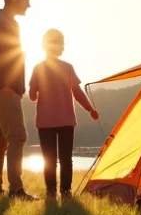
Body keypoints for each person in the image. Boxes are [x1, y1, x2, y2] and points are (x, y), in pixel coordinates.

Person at [0, 0, 38, 200]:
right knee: (18, 136)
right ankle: (16, 189)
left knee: (1, 140)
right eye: (27, 0)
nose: (29, 5)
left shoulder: (7, 22)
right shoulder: (0, 22)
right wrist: (6, 84)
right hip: (4, 89)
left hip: (0, 88)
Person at [29, 29, 98, 199]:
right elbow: (77, 92)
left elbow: (31, 96)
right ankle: (66, 191)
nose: (64, 47)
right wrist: (90, 109)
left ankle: (51, 191)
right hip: (66, 120)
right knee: (66, 158)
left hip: (45, 122)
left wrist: (35, 88)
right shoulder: (67, 67)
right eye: (62, 43)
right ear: (54, 45)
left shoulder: (38, 68)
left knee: (49, 159)